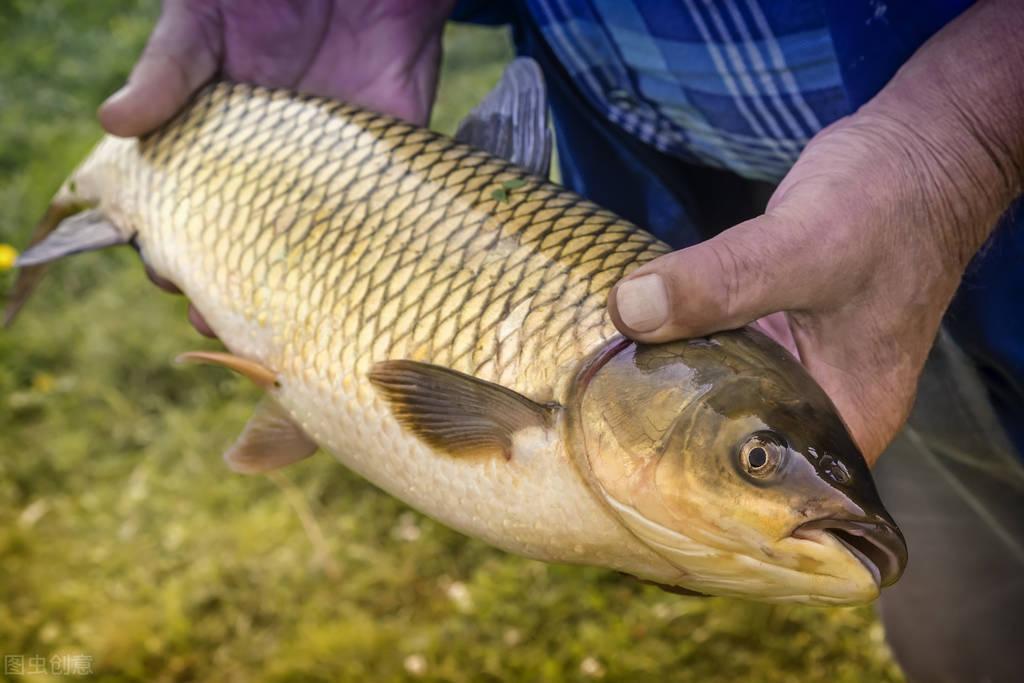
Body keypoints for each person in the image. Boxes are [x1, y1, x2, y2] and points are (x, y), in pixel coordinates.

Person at [100, 2, 1024, 680]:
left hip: (973, 195)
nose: (766, 467)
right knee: (963, 617)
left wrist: (972, 141)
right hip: (665, 176)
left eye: (756, 457)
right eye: (757, 456)